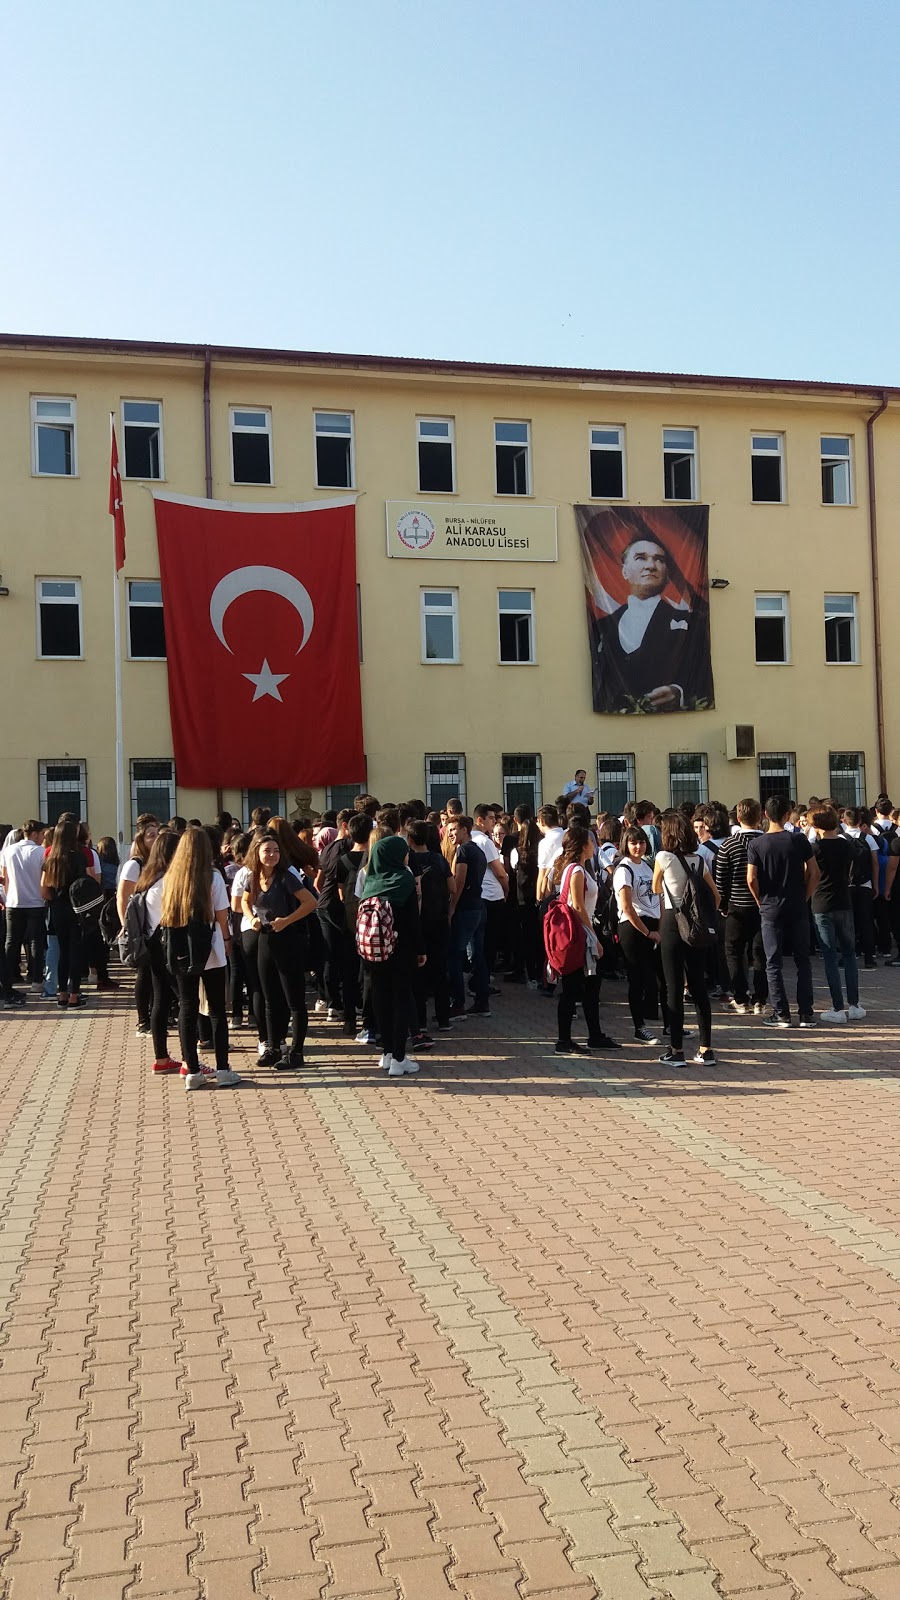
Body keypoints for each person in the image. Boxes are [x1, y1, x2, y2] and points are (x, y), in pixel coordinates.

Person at [590, 534, 713, 713]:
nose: (650, 565)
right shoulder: (601, 627)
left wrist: (679, 693)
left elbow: (704, 674)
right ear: (624, 571)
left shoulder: (692, 623)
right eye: (640, 558)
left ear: (667, 573)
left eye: (659, 560)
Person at [159, 826, 241, 1090]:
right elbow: (221, 914)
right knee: (216, 1008)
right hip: (211, 945)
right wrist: (228, 940)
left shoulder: (170, 878)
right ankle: (223, 1068)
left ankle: (192, 1070)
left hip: (180, 946)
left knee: (187, 1005)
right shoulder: (213, 877)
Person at [242, 833, 317, 1069]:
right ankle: (273, 1047)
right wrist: (250, 917)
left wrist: (288, 920)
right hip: (265, 939)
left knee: (293, 1000)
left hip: (288, 940)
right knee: (269, 997)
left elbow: (311, 902)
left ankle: (296, 1052)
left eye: (276, 850)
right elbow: (243, 901)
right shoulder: (253, 877)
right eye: (267, 850)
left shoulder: (286, 877)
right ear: (257, 853)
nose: (272, 855)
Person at [651, 810, 719, 1066]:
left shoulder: (664, 857)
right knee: (698, 986)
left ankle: (676, 1050)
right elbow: (715, 894)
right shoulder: (699, 859)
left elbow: (657, 887)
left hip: (672, 920)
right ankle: (706, 1049)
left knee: (673, 986)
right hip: (696, 926)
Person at [747, 796, 819, 1029]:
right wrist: (806, 896)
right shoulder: (798, 840)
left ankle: (781, 1014)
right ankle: (806, 1013)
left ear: (765, 815)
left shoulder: (757, 844)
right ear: (788, 814)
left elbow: (751, 878)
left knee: (773, 962)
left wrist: (760, 901)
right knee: (802, 961)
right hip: (797, 905)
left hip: (770, 908)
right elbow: (814, 873)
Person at [358, 833, 426, 1077]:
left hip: (374, 952)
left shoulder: (371, 881)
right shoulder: (404, 881)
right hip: (401, 949)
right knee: (402, 999)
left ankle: (386, 1054)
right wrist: (421, 950)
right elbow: (413, 921)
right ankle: (399, 1057)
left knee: (381, 999)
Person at [552, 825, 620, 1054]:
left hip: (583, 931)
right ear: (583, 846)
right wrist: (593, 935)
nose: (594, 846)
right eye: (591, 842)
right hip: (580, 933)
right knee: (572, 988)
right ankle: (564, 1040)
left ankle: (595, 1034)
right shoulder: (577, 871)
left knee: (592, 986)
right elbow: (578, 905)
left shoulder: (578, 868)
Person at [810, 806, 865, 1024]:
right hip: (844, 902)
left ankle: (837, 1006)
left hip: (821, 903)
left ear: (816, 825)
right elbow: (851, 869)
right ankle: (855, 1004)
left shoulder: (815, 848)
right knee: (849, 954)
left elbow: (809, 875)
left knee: (830, 956)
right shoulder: (847, 845)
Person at [714, 798, 767, 1016]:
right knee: (760, 953)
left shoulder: (729, 844)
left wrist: (723, 903)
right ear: (761, 816)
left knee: (734, 951)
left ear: (737, 818)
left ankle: (740, 997)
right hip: (763, 905)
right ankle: (760, 999)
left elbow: (721, 879)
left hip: (736, 905)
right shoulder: (767, 843)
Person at [135, 829, 182, 1073]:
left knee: (160, 1000)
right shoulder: (167, 881)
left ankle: (161, 1058)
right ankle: (191, 1061)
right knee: (186, 1001)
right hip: (168, 944)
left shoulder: (147, 878)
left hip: (152, 942)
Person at [614, 827, 665, 1043]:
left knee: (663, 979)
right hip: (634, 929)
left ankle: (672, 1025)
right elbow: (627, 906)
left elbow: (659, 896)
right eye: (634, 842)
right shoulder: (623, 869)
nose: (638, 847)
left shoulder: (647, 865)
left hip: (654, 927)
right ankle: (639, 1027)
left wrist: (660, 928)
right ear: (626, 844)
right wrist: (647, 932)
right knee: (638, 980)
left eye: (642, 842)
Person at [407, 819, 452, 1038]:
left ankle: (420, 1021)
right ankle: (444, 1018)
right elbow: (452, 887)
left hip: (418, 922)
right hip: (440, 920)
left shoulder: (409, 861)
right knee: (440, 970)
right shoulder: (439, 859)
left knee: (418, 974)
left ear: (410, 839)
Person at [40, 820, 90, 1007]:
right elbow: (84, 884)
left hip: (57, 909)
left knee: (61, 950)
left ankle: (62, 994)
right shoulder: (78, 856)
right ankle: (74, 995)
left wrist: (53, 900)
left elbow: (43, 890)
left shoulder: (50, 858)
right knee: (76, 950)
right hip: (76, 909)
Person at [446, 816, 489, 1018]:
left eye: (454, 829)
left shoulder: (463, 851)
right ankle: (482, 1002)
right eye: (449, 830)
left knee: (454, 955)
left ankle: (457, 1004)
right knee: (478, 956)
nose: (451, 833)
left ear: (465, 830)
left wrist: (452, 907)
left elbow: (459, 881)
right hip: (479, 907)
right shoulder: (478, 850)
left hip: (466, 909)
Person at [1, 820, 47, 991]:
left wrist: (7, 897)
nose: (43, 838)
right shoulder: (40, 852)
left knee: (11, 942)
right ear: (34, 833)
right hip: (35, 901)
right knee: (36, 941)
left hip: (14, 901)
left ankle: (6, 979)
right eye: (42, 834)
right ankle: (36, 979)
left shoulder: (9, 851)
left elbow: (5, 878)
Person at [471, 804, 509, 983]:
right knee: (489, 942)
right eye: (492, 818)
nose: (495, 821)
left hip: (478, 894)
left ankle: (478, 978)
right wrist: (506, 889)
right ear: (481, 820)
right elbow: (500, 872)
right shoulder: (485, 842)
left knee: (479, 941)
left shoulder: (468, 838)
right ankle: (482, 980)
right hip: (492, 895)